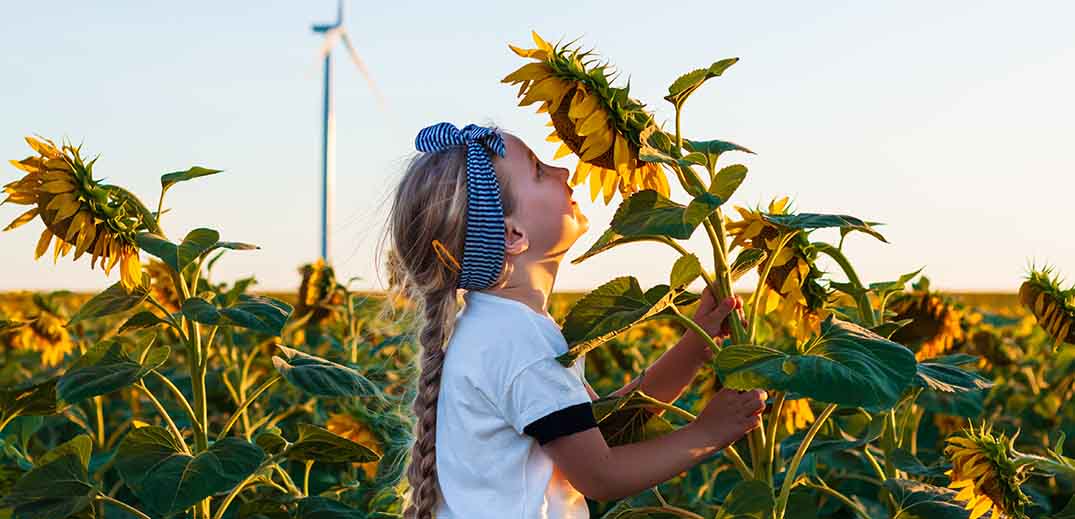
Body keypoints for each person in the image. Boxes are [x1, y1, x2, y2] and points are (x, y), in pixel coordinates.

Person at [379, 122, 767, 519]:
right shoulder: (518, 342)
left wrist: (692, 350)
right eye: (539, 171)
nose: (564, 172)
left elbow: (605, 428)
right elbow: (601, 474)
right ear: (513, 235)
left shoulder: (498, 327)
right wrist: (707, 434)